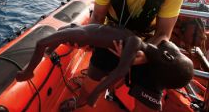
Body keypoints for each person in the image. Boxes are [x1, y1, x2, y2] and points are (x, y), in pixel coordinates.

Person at [16, 24, 194, 109]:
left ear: (168, 57)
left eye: (177, 52)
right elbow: (63, 33)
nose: (175, 47)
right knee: (63, 32)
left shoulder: (134, 42)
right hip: (94, 35)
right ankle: (85, 99)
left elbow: (120, 72)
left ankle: (28, 73)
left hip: (94, 36)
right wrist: (50, 50)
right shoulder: (135, 43)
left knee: (54, 38)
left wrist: (28, 71)